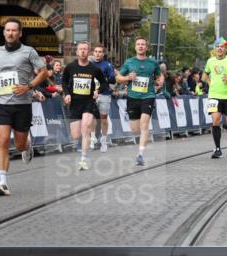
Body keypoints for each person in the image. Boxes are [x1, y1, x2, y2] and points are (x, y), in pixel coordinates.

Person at [0, 18, 49, 197]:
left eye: (14, 30)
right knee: (2, 140)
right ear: (4, 33)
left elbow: (43, 72)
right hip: (2, 103)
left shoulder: (28, 52)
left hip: (22, 104)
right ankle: (3, 182)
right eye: (7, 30)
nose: (10, 33)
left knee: (19, 145)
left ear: (20, 33)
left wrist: (29, 86)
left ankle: (27, 145)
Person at [62, 41, 108, 171]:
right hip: (75, 103)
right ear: (77, 52)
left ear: (89, 52)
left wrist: (98, 91)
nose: (83, 51)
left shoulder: (94, 68)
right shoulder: (70, 67)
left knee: (86, 127)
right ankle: (84, 142)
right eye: (80, 49)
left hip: (88, 102)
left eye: (85, 49)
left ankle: (83, 159)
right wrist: (67, 93)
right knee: (76, 135)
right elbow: (64, 81)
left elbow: (104, 83)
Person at [115, 37, 161, 167]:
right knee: (135, 129)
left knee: (144, 125)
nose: (140, 46)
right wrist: (128, 78)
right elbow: (118, 78)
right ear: (135, 47)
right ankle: (141, 143)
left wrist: (160, 80)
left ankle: (140, 155)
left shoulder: (153, 63)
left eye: (143, 44)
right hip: (133, 97)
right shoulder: (129, 62)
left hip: (148, 96)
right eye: (138, 44)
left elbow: (159, 75)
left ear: (146, 47)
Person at [202, 38, 227, 159]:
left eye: (222, 47)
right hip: (214, 96)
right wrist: (209, 82)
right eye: (217, 46)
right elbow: (204, 74)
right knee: (215, 121)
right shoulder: (210, 61)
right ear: (215, 49)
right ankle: (218, 149)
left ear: (226, 49)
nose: (219, 48)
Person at [90, 44, 118, 152]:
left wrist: (106, 78)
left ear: (103, 54)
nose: (97, 54)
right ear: (93, 53)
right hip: (91, 94)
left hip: (104, 94)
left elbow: (113, 80)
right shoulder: (89, 64)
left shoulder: (107, 65)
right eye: (96, 51)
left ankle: (104, 140)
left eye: (100, 52)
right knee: (92, 116)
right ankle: (92, 138)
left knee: (103, 118)